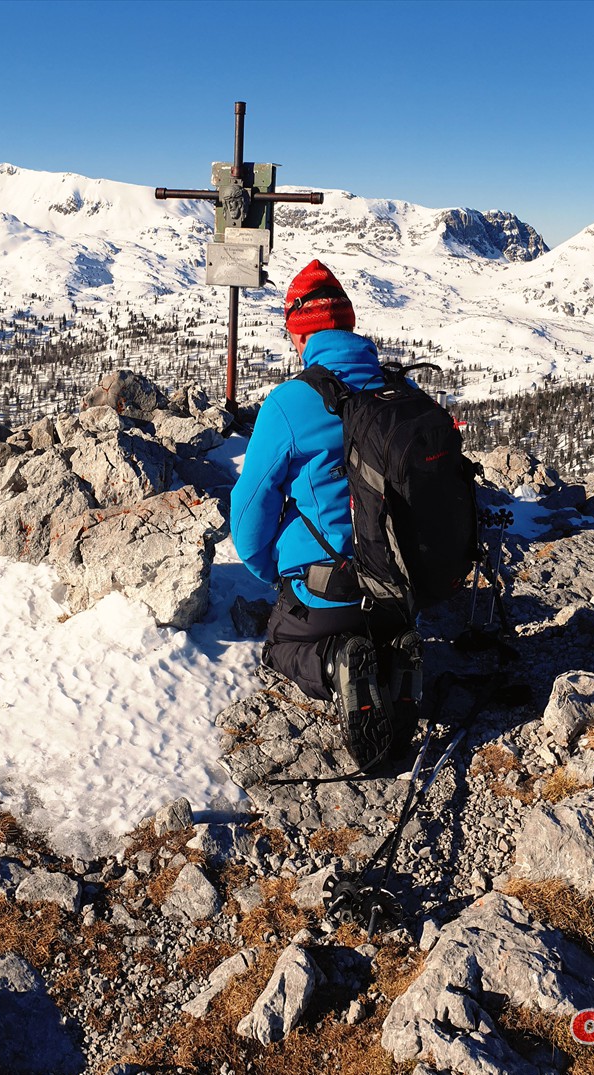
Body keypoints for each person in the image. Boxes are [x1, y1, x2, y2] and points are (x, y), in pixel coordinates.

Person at [231, 260, 423, 767]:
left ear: (300, 336)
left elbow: (248, 512)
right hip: (402, 588)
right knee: (382, 623)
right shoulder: (401, 394)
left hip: (328, 592)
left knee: (280, 644)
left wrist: (274, 572)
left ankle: (338, 661)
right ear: (350, 324)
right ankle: (393, 654)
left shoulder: (290, 403)